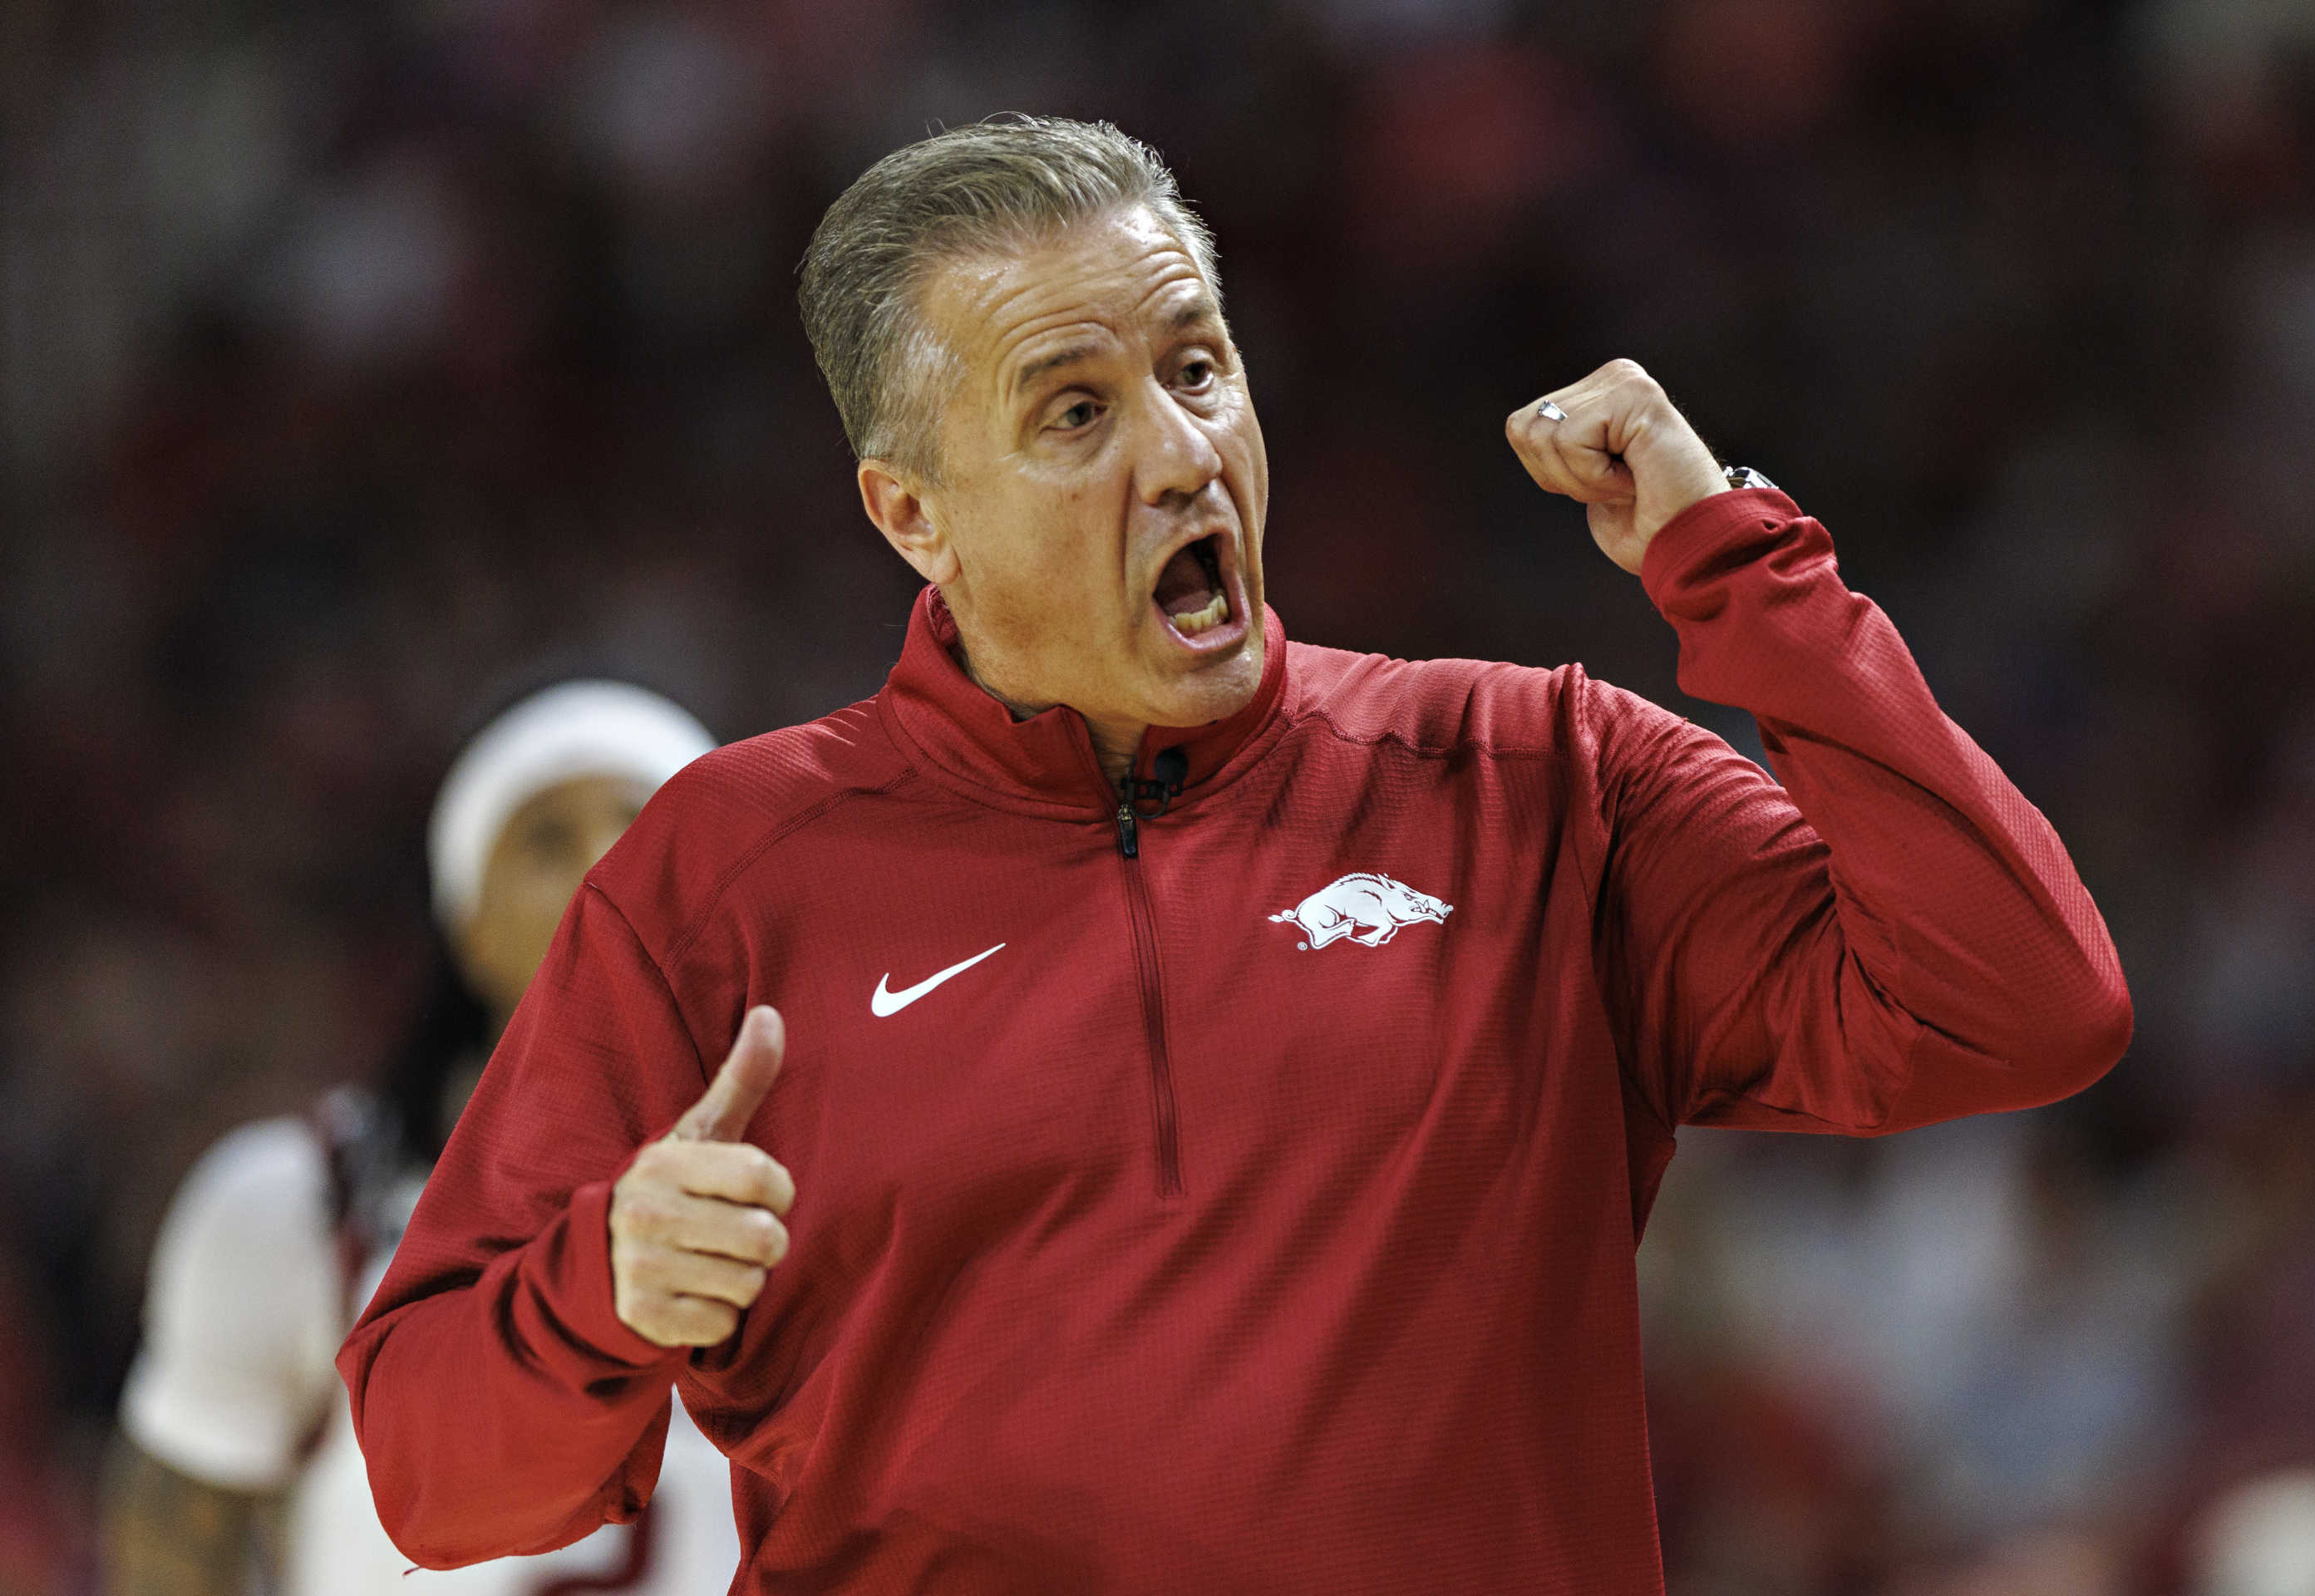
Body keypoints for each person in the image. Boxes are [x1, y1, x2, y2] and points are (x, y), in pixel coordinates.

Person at [340, 117, 2134, 1593]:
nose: (1185, 450)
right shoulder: (723, 873)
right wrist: (605, 1283)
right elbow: (433, 1475)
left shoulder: (1532, 777)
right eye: (1075, 411)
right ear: (913, 514)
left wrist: (1741, 573)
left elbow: (2024, 1003)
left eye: (1198, 366)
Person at [105, 682, 741, 1595]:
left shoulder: (844, 1186)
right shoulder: (300, 1202)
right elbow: (172, 1548)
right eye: (548, 841)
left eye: (642, 826)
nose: (607, 864)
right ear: (467, 927)